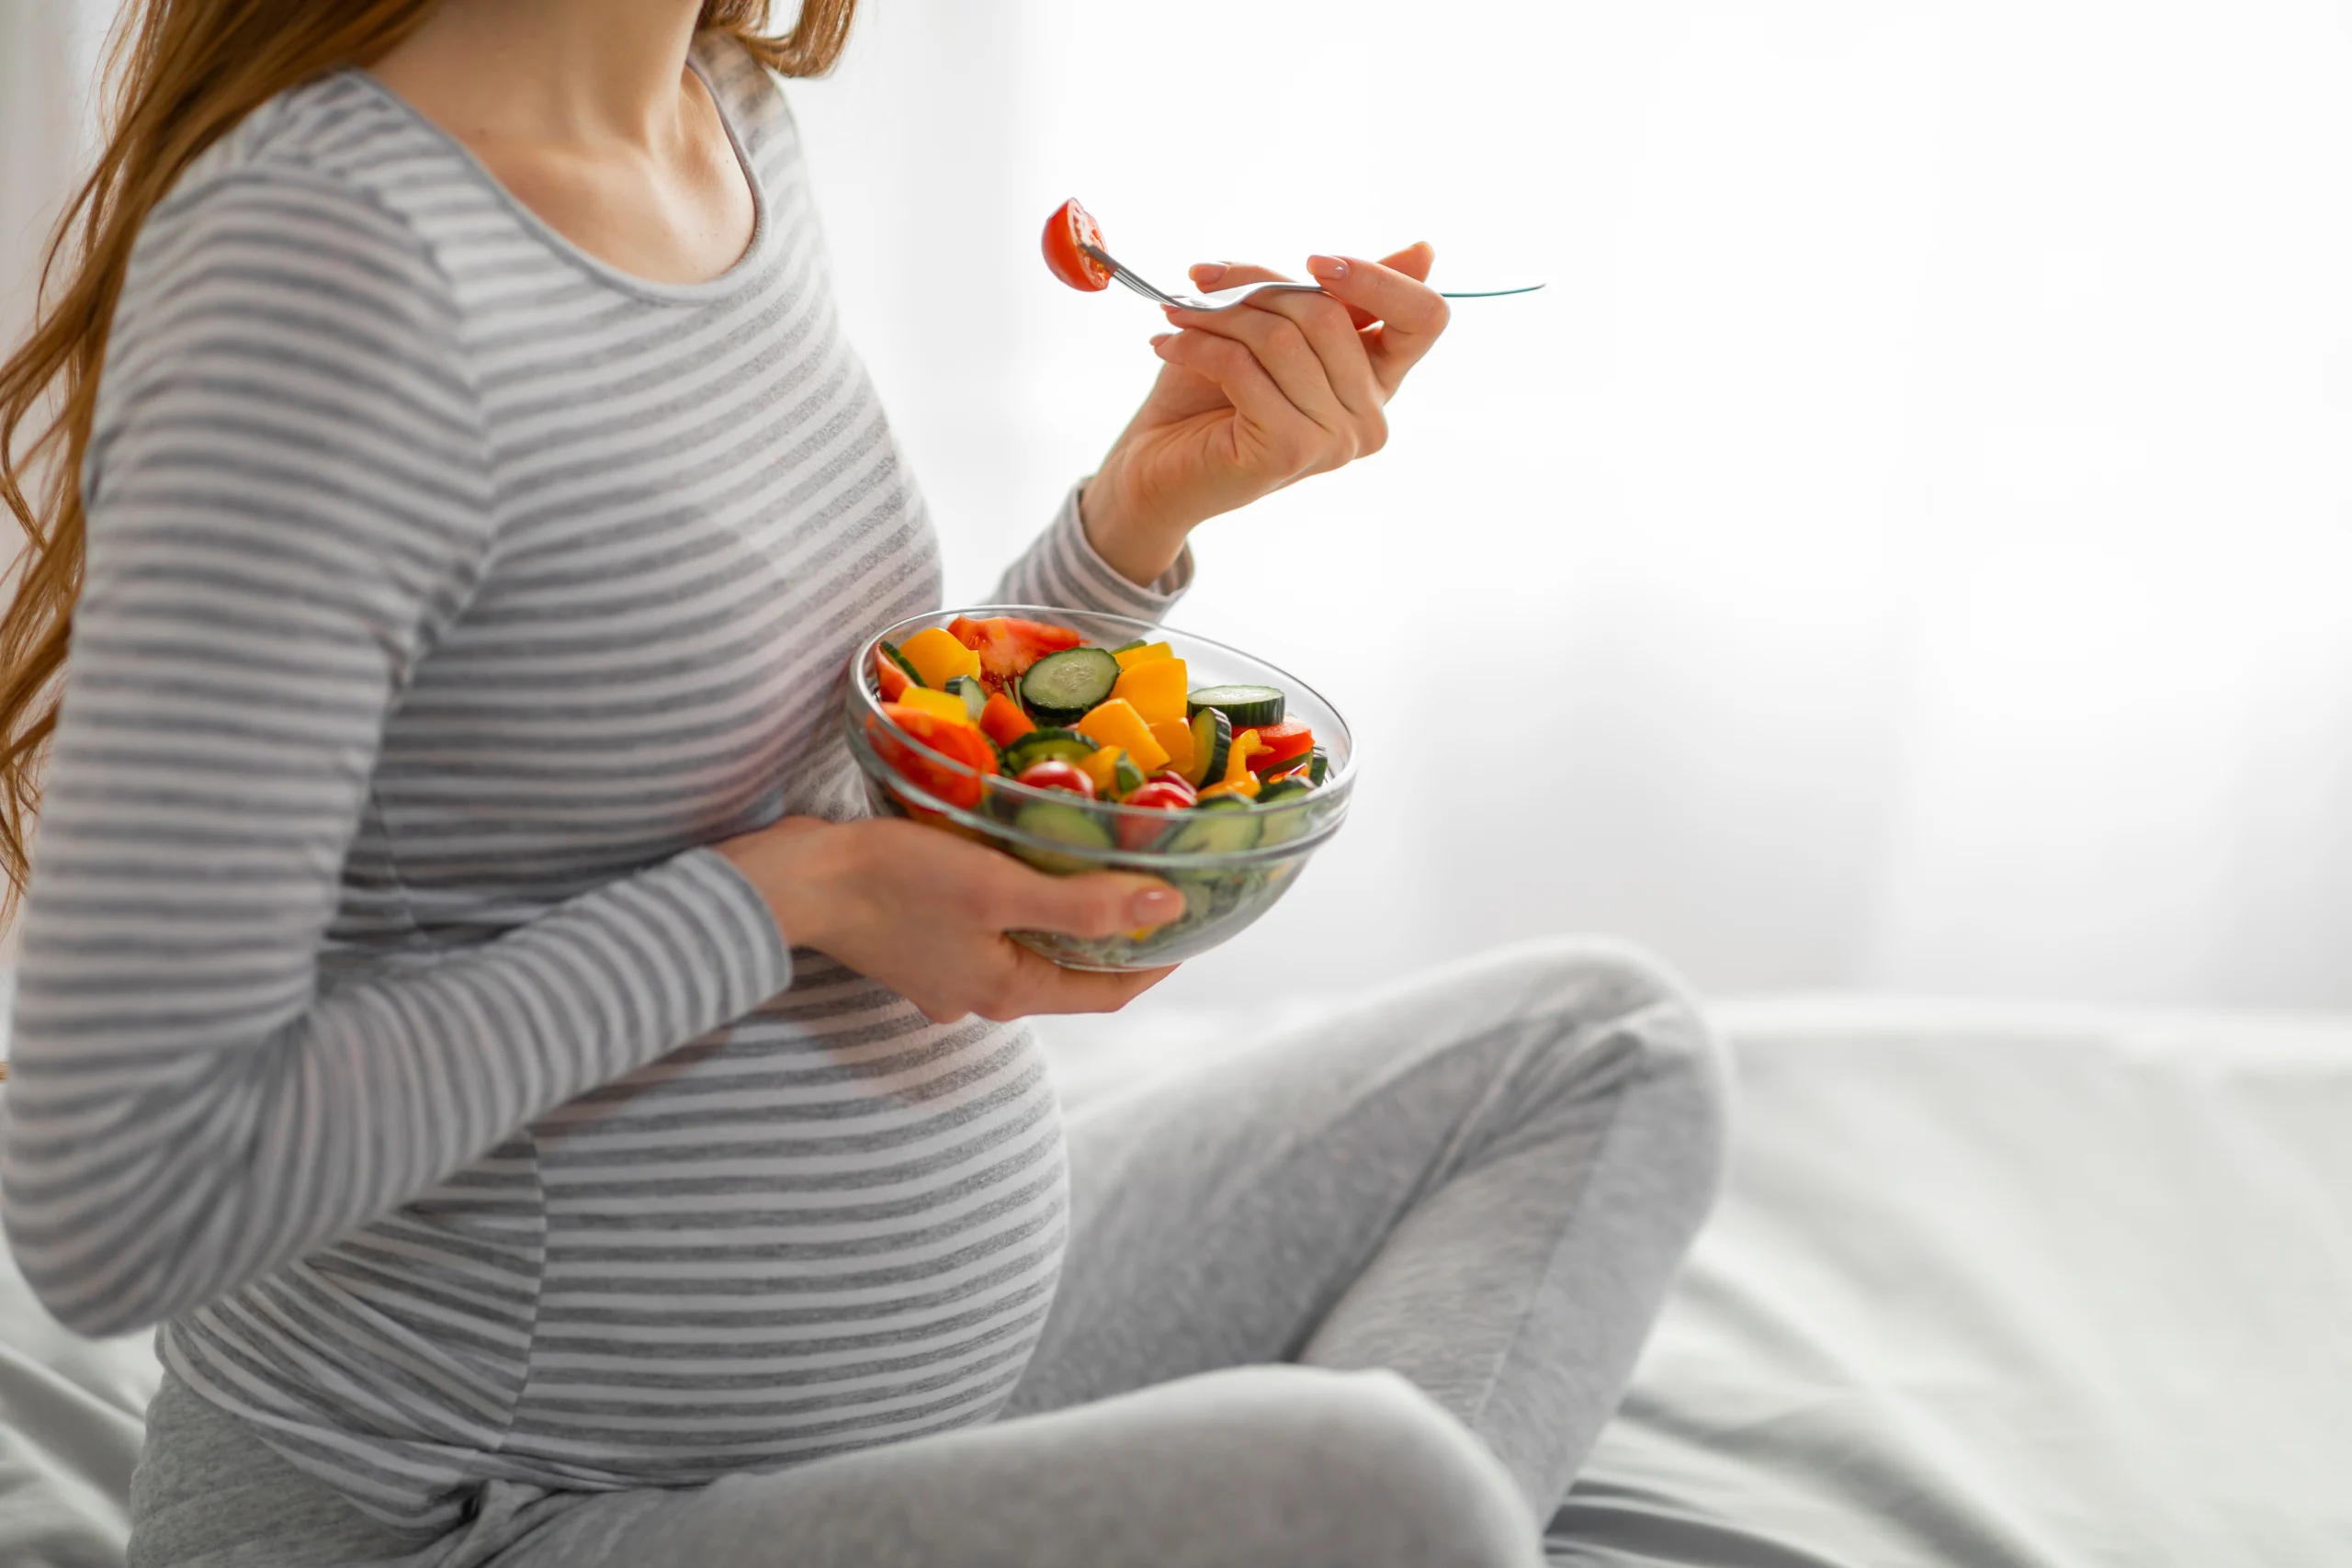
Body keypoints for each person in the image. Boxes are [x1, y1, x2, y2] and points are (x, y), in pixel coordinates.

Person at [0, 2, 1731, 1563]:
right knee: (1381, 1495)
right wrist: (789, 901)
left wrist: (1135, 520)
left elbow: (819, 773)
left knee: (1602, 1042)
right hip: (484, 1510)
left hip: (911, 1398)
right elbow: (119, 1196)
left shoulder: (719, 106)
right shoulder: (330, 268)